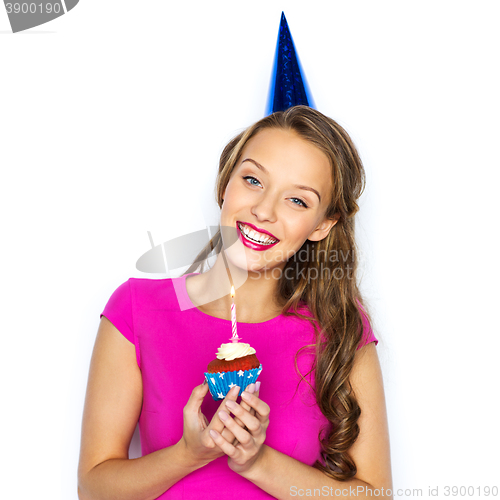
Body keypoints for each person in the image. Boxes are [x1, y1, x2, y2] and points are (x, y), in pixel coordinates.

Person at [77, 105, 392, 499]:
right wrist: (189, 455)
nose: (263, 211)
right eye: (253, 180)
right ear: (225, 181)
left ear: (323, 225)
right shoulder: (136, 310)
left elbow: (375, 495)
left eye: (297, 201)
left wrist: (258, 464)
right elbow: (94, 489)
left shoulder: (341, 328)